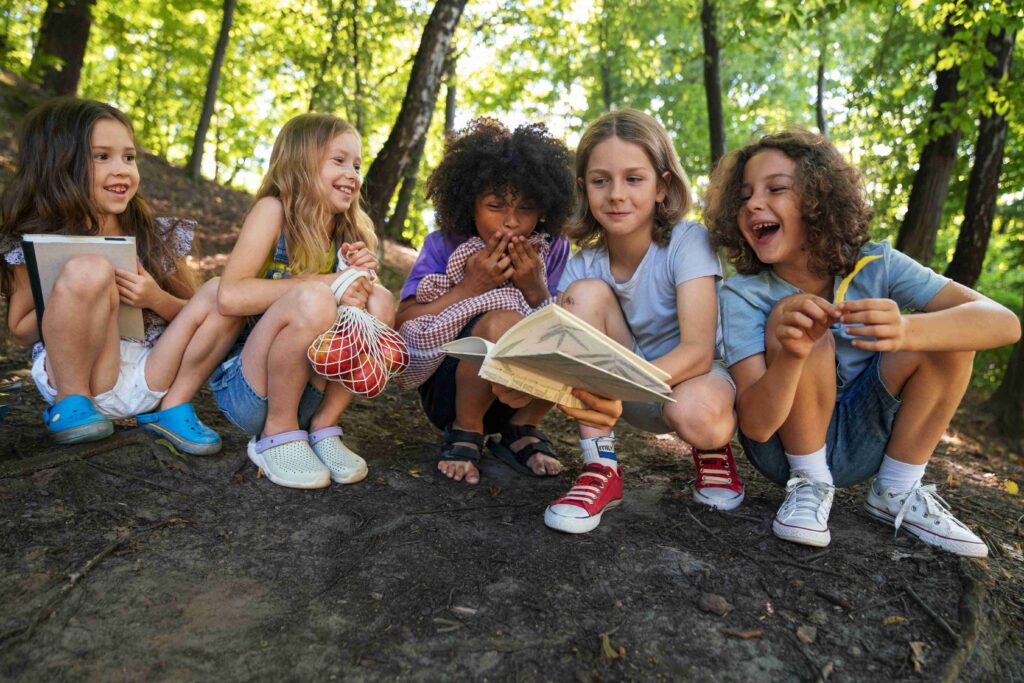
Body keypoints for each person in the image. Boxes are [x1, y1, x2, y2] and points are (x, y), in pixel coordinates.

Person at [705, 129, 1020, 556]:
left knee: (950, 331)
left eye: (776, 188)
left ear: (819, 200)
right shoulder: (743, 293)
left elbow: (1003, 323)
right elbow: (757, 426)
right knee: (798, 318)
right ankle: (810, 484)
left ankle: (896, 491)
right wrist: (792, 355)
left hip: (866, 438)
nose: (753, 204)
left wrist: (909, 331)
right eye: (744, 196)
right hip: (782, 450)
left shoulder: (877, 262)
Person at [0, 97, 238, 453]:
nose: (122, 169)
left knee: (224, 294)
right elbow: (20, 330)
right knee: (89, 268)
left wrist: (154, 298)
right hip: (82, 372)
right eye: (102, 157)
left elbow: (194, 313)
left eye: (129, 157)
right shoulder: (36, 236)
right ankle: (70, 403)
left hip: (153, 374)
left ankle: (174, 406)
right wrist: (71, 292)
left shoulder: (149, 233)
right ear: (59, 165)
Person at [546, 109, 743, 534]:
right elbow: (570, 359)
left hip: (695, 381)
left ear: (662, 185)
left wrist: (617, 385)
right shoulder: (584, 266)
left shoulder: (688, 242)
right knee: (584, 296)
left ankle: (712, 454)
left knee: (699, 416)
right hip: (624, 391)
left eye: (633, 178)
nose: (616, 194)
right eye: (601, 180)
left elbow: (698, 351)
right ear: (584, 188)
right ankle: (600, 469)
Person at [211, 113, 394, 490]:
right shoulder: (273, 212)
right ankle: (274, 434)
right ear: (301, 161)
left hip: (310, 392)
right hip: (252, 388)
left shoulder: (351, 232)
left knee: (382, 300)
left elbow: (357, 313)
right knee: (312, 296)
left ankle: (324, 425)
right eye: (339, 161)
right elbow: (230, 296)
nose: (353, 174)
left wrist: (357, 282)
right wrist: (330, 282)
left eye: (357, 165)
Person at [395, 119, 575, 485]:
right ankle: (467, 429)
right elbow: (404, 321)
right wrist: (469, 287)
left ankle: (522, 430)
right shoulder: (443, 244)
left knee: (571, 327)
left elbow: (562, 323)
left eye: (525, 209)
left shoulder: (555, 248)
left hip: (525, 394)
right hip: (450, 390)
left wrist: (535, 289)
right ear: (469, 204)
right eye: (495, 206)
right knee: (500, 321)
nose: (511, 223)